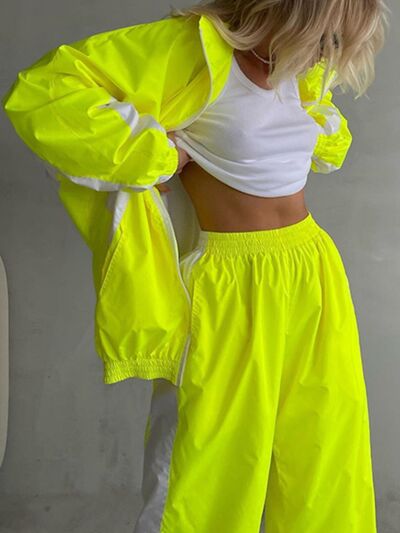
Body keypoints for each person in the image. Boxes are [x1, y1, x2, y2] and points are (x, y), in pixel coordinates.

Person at [1, 0, 390, 531]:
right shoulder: (194, 50)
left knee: (323, 450)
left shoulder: (299, 69)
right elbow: (43, 91)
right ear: (297, 13)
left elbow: (305, 138)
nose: (329, 53)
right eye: (328, 36)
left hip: (312, 268)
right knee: (206, 469)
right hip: (228, 282)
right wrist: (152, 153)